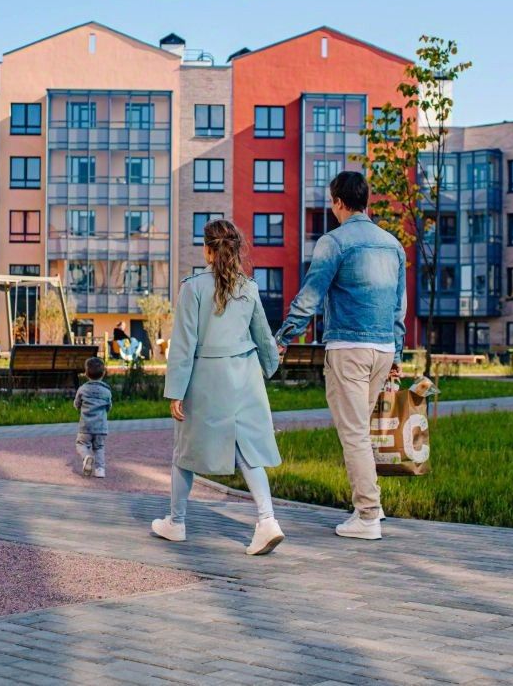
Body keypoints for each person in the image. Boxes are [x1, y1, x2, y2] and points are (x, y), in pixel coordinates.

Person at [276, 171, 405, 541]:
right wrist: (397, 352)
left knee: (355, 434)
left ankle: (368, 514)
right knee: (361, 430)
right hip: (382, 349)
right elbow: (399, 306)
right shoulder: (392, 244)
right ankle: (370, 506)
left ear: (337, 202)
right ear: (366, 200)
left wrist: (284, 336)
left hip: (349, 348)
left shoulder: (333, 242)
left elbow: (311, 295)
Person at [151, 219, 285, 555]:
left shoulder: (193, 288)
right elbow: (263, 335)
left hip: (206, 379)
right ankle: (267, 520)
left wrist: (175, 390)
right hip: (245, 378)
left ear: (208, 251)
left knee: (184, 451)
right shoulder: (249, 288)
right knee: (248, 451)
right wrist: (271, 365)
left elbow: (184, 344)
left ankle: (176, 522)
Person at [73, 357, 111, 478]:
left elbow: (76, 404)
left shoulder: (82, 389)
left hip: (86, 426)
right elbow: (109, 406)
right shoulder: (107, 391)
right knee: (99, 447)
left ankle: (86, 457)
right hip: (101, 427)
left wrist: (80, 407)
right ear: (103, 373)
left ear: (86, 373)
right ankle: (100, 470)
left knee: (81, 444)